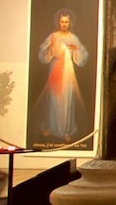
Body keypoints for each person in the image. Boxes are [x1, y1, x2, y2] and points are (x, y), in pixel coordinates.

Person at [35, 9, 89, 141]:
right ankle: (50, 126)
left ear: (70, 23)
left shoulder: (73, 38)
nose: (64, 24)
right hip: (55, 68)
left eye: (66, 22)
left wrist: (76, 50)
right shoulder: (53, 36)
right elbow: (42, 52)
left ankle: (66, 130)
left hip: (68, 70)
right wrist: (50, 47)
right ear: (58, 22)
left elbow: (83, 53)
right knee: (53, 98)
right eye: (62, 21)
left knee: (66, 98)